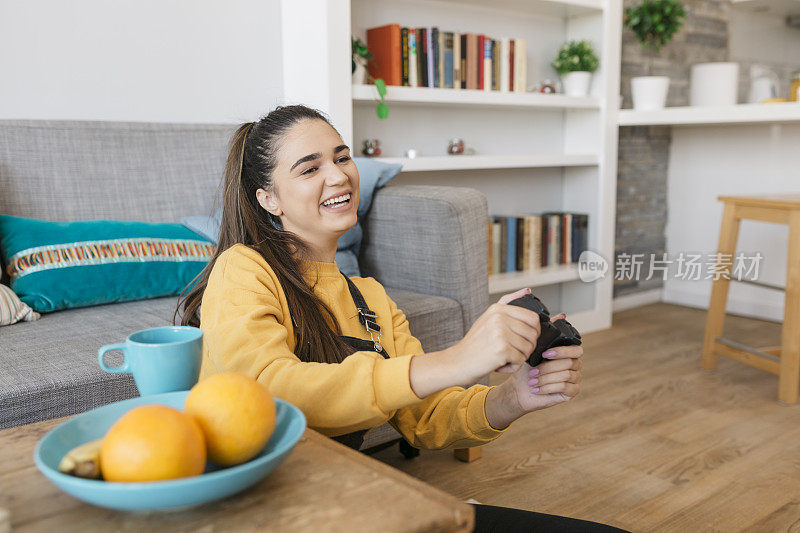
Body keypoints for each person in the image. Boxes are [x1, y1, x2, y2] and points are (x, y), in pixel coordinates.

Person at [177, 105, 627, 532]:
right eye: (310, 168)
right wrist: (457, 359)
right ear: (269, 199)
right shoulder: (243, 268)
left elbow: (427, 419)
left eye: (342, 157)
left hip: (347, 506)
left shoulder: (370, 300)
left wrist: (515, 397)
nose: (338, 175)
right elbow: (267, 393)